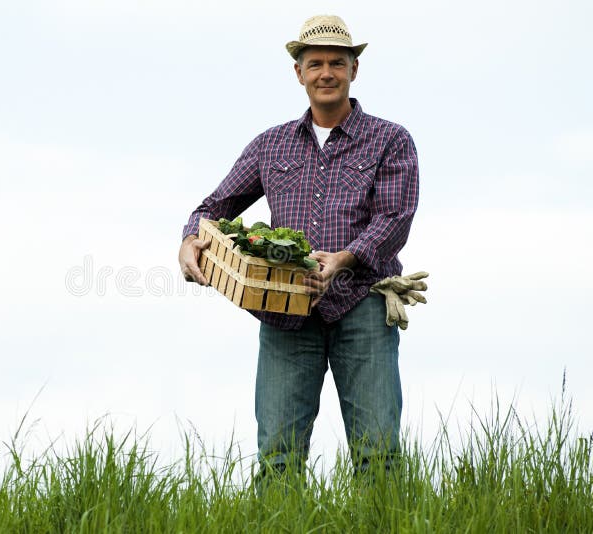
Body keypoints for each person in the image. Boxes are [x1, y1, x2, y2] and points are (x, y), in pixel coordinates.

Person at [178, 15, 419, 478]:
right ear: (299, 73)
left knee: (379, 454)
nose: (326, 73)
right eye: (315, 64)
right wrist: (190, 238)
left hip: (363, 306)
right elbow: (216, 204)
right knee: (278, 457)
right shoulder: (271, 145)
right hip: (285, 312)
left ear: (353, 69)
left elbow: (395, 218)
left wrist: (345, 258)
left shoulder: (390, 140)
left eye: (336, 63)